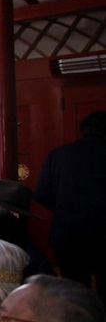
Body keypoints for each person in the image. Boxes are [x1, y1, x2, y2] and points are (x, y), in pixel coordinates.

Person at [35, 111, 106, 303]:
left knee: (73, 291)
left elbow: (41, 194)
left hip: (67, 231)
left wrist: (63, 208)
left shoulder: (59, 155)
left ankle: (75, 320)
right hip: (102, 233)